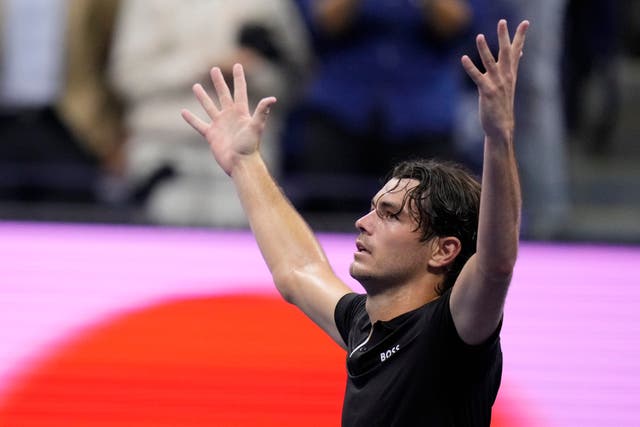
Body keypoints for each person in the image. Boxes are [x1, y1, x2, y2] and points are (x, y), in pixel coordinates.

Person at [182, 18, 529, 426]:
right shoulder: (364, 325)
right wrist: (245, 163)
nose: (363, 223)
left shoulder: (450, 333)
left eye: (390, 215)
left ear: (444, 250)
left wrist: (498, 136)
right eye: (373, 208)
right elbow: (299, 270)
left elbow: (496, 264)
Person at [108, 0, 309, 227]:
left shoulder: (270, 4)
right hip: (165, 146)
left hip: (247, 151)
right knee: (162, 246)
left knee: (247, 247)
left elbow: (294, 80)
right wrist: (206, 65)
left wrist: (250, 70)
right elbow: (128, 77)